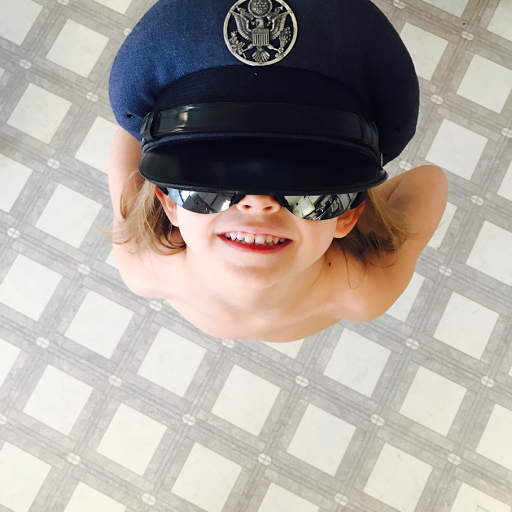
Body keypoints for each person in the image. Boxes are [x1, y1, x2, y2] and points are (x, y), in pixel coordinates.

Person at [102, 0, 448, 343]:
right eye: (211, 182)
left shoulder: (144, 267)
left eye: (305, 187)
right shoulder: (365, 288)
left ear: (348, 214)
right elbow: (430, 180)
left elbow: (134, 142)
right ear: (169, 203)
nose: (257, 202)